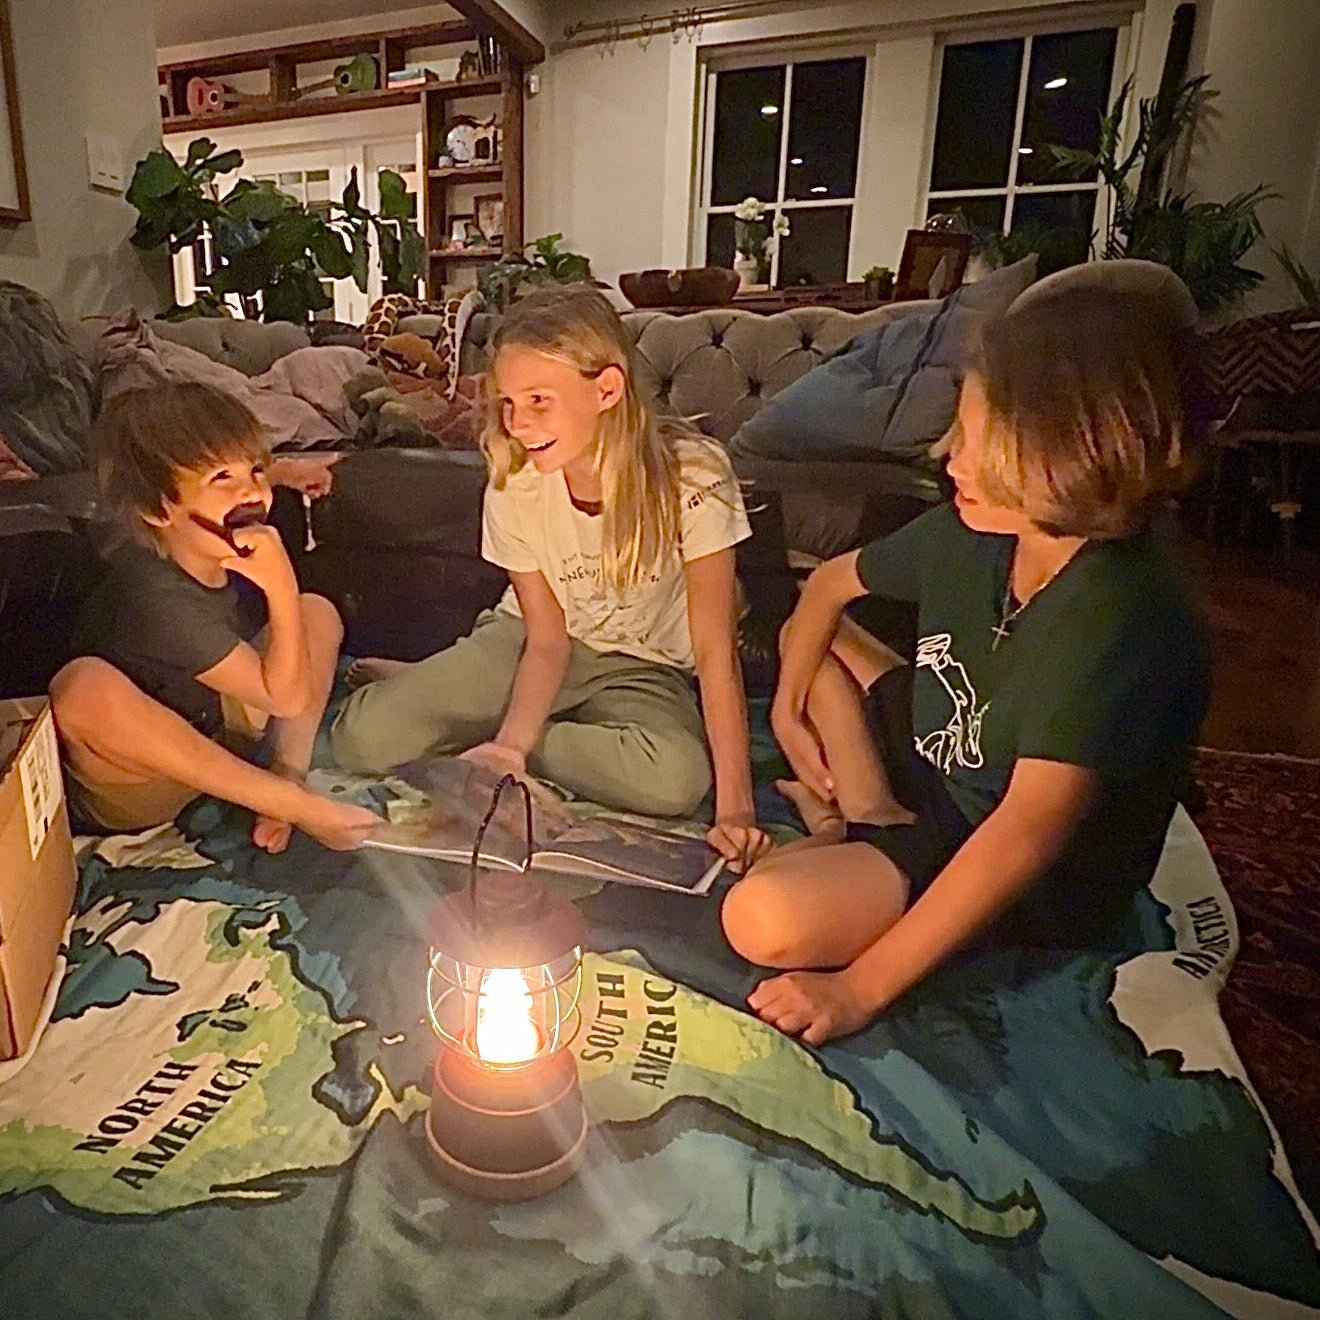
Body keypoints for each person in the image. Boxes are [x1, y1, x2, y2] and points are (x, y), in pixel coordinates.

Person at [721, 273, 1210, 1044]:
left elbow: (1026, 833)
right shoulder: (970, 530)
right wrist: (786, 712)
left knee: (761, 916)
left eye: (980, 446)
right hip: (942, 758)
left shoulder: (1119, 613)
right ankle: (863, 809)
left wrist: (857, 990)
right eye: (958, 431)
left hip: (1021, 868)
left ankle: (849, 829)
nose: (949, 458)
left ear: (1072, 457)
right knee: (807, 638)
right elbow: (826, 591)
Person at [332, 286, 770, 871]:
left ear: (606, 390)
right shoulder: (517, 481)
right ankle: (480, 710)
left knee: (678, 782)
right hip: (527, 644)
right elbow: (546, 638)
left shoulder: (693, 474)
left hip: (644, 665)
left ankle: (477, 713)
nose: (519, 424)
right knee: (362, 742)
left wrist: (737, 809)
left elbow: (716, 650)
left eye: (539, 399)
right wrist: (509, 748)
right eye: (510, 403)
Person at [50, 381, 379, 853]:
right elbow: (284, 699)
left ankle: (286, 775)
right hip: (146, 780)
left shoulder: (216, 536)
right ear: (159, 511)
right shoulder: (153, 595)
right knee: (82, 689)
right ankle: (293, 803)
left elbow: (219, 486)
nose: (250, 493)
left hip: (217, 724)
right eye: (221, 478)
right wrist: (279, 584)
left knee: (316, 613)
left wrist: (279, 472)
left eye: (254, 472)